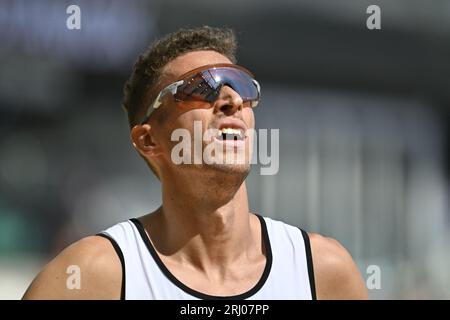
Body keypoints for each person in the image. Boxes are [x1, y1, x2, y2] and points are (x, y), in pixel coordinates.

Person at [23, 26, 368, 300]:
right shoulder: (92, 276)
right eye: (203, 87)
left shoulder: (324, 272)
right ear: (149, 140)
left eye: (241, 86)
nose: (232, 100)